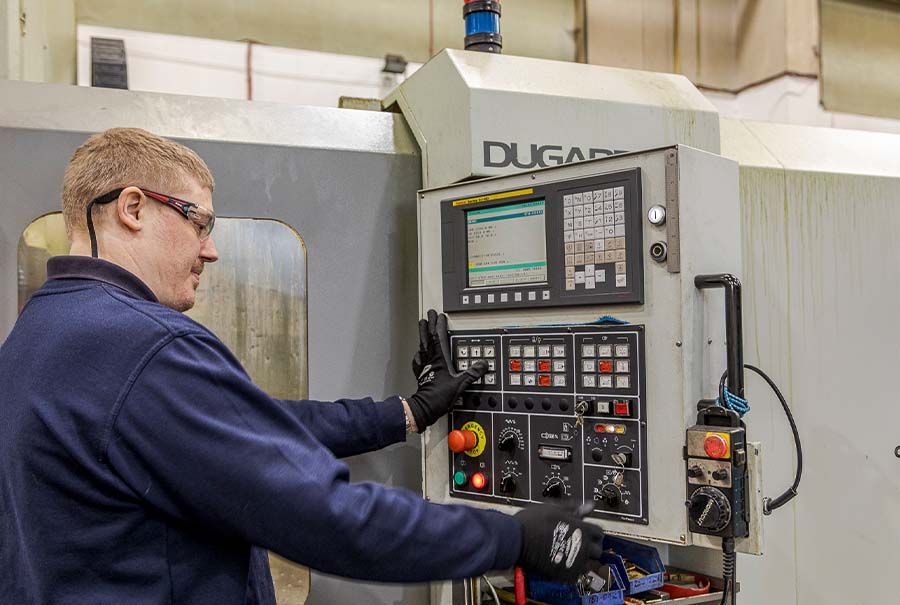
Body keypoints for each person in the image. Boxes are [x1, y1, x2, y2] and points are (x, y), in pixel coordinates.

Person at [0, 128, 604, 604]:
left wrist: (409, 413)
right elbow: (325, 518)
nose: (209, 247)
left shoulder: (39, 334)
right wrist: (515, 538)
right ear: (132, 207)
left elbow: (240, 432)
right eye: (198, 222)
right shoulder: (147, 348)